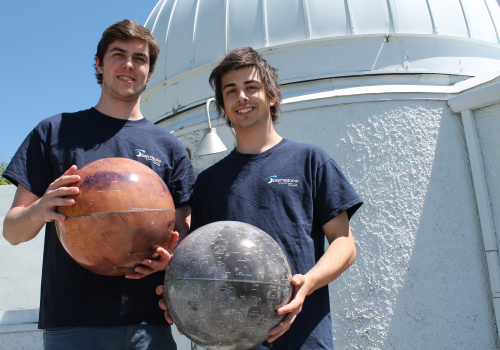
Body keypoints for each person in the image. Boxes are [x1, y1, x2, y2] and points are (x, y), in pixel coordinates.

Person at [2, 19, 196, 350]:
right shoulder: (53, 132)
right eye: (118, 55)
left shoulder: (169, 147)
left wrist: (172, 257)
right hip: (73, 323)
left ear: (149, 71)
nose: (129, 65)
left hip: (148, 323)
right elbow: (13, 231)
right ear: (99, 63)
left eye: (140, 58)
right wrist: (41, 207)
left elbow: (186, 232)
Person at [158, 47, 363, 349]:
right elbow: (196, 262)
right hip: (232, 341)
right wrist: (177, 291)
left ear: (271, 96)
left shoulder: (309, 160)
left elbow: (345, 244)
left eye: (251, 87)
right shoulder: (208, 183)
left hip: (303, 337)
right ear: (223, 107)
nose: (241, 96)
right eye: (231, 91)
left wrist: (307, 284)